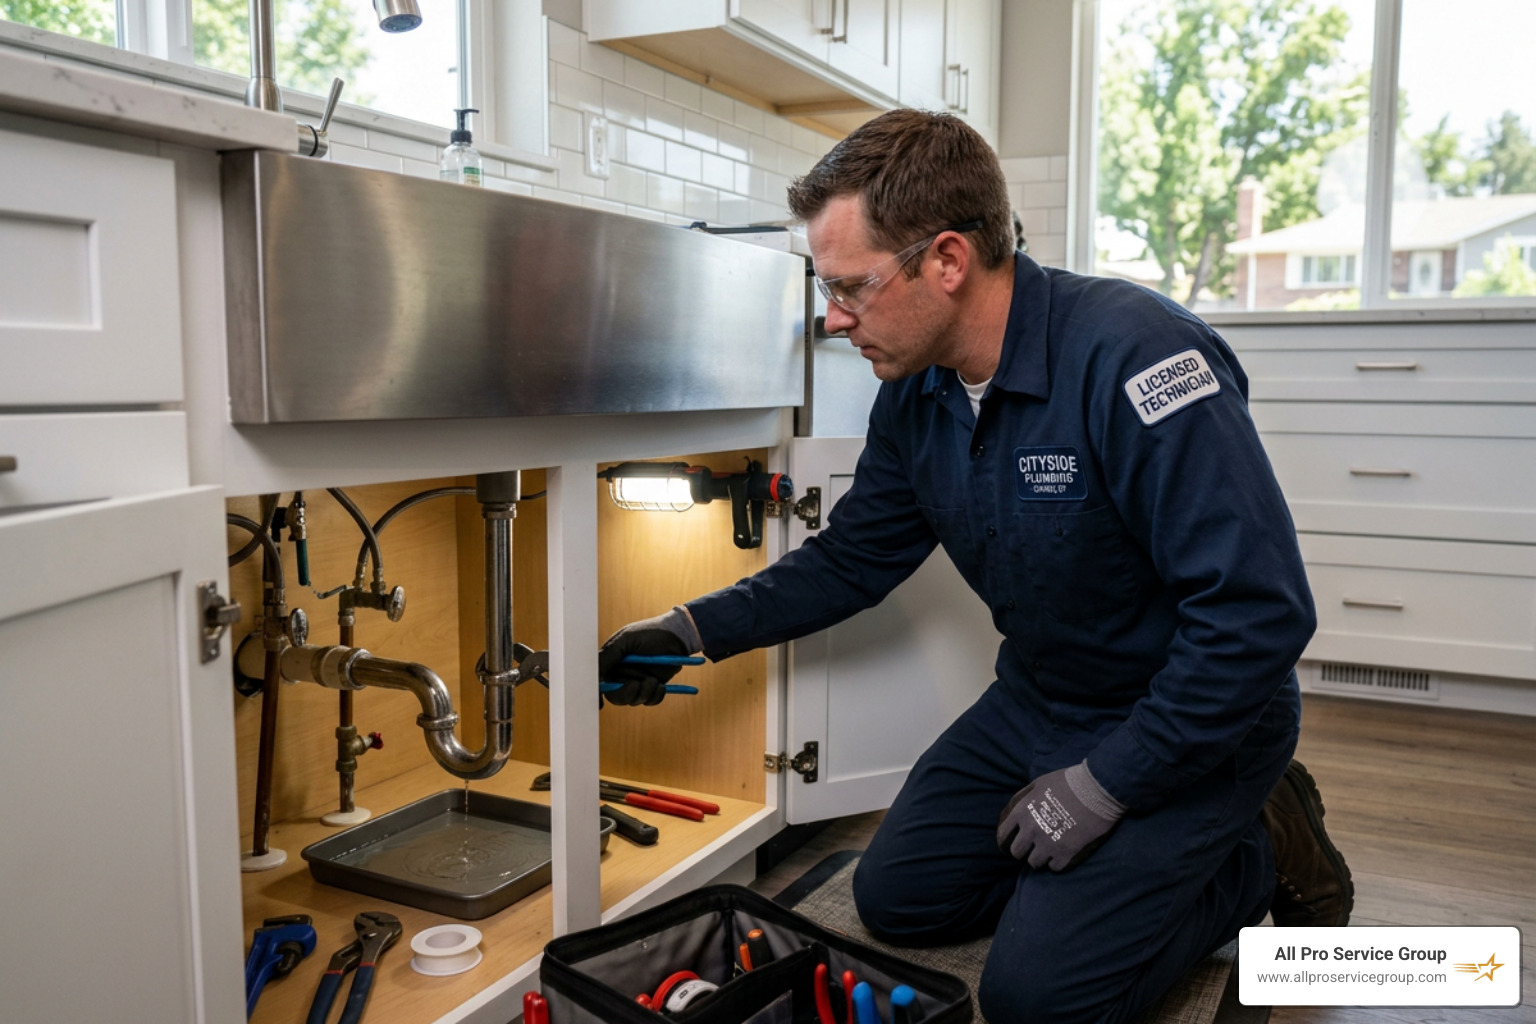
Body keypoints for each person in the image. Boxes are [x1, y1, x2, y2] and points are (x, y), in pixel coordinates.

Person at [599, 109, 1352, 1023]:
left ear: (946, 260)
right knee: (900, 900)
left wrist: (1109, 785)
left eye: (851, 288)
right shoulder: (916, 390)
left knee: (1036, 1000)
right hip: (1041, 700)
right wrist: (692, 628)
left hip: (1193, 723)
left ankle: (1258, 849)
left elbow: (1260, 615)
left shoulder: (1139, 357)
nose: (834, 320)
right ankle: (1121, 884)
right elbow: (853, 558)